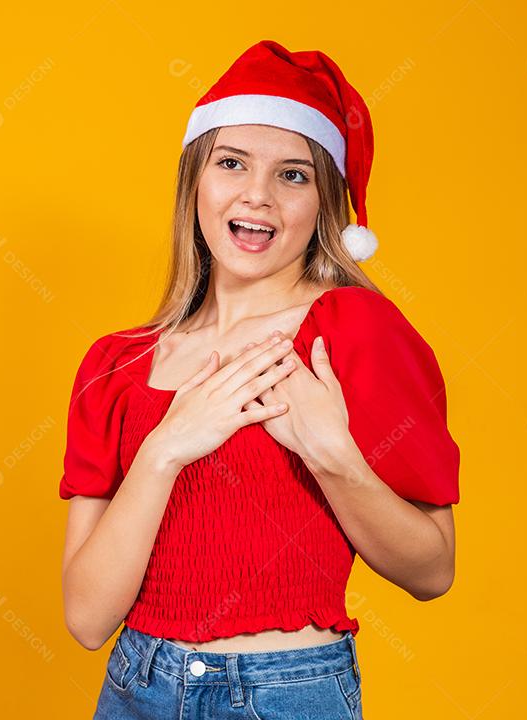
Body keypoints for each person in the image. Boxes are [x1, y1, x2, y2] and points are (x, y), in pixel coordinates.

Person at [59, 40, 461, 720]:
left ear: (324, 203)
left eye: (293, 175)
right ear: (194, 181)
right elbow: (88, 618)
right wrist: (164, 450)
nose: (257, 194)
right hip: (135, 687)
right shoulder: (116, 363)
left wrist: (331, 456)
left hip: (285, 692)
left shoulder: (352, 331)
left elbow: (433, 570)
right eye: (231, 162)